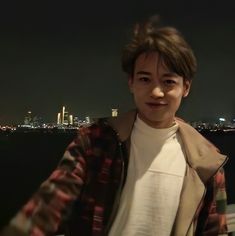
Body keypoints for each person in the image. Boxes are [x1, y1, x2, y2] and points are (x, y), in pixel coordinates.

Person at [0, 15, 228, 236]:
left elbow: (214, 230)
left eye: (168, 82)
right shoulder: (95, 143)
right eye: (145, 79)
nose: (156, 92)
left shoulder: (206, 163)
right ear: (131, 83)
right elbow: (46, 210)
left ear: (186, 87)